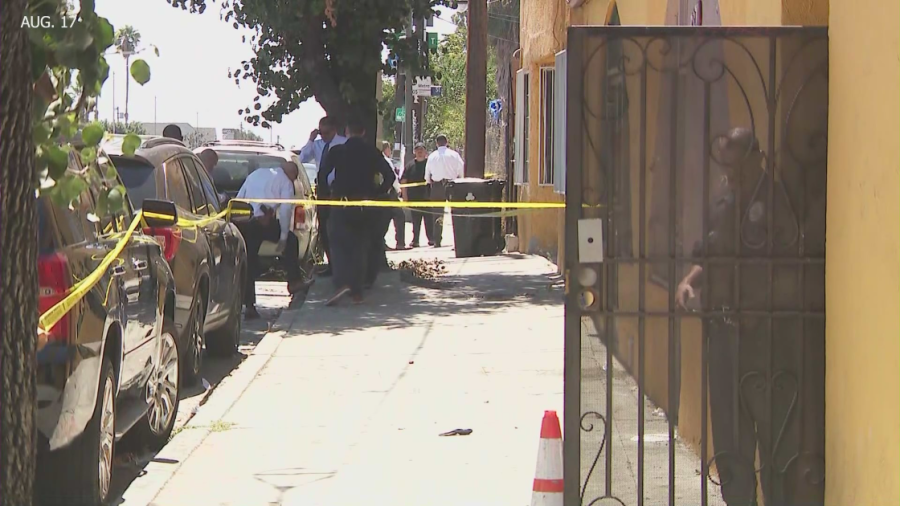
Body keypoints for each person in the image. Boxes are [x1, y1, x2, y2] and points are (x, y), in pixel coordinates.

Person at [675, 127, 822, 506]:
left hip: (768, 342)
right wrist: (689, 282)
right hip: (724, 337)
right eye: (726, 162)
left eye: (737, 161)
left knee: (776, 444)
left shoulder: (777, 202)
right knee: (731, 444)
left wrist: (760, 307)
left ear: (756, 158)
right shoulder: (723, 203)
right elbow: (707, 256)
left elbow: (793, 267)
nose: (731, 170)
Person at [317, 118, 395, 306]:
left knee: (338, 242)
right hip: (365, 203)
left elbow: (322, 174)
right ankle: (358, 289)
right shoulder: (372, 152)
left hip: (341, 202)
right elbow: (390, 176)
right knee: (361, 245)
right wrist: (377, 192)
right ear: (363, 133)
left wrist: (327, 194)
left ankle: (343, 281)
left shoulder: (337, 151)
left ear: (347, 132)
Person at [235, 160, 305, 319]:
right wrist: (283, 238)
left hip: (248, 222)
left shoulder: (256, 174)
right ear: (292, 174)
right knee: (292, 241)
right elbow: (286, 210)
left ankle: (249, 305)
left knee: (249, 261)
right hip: (264, 221)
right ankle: (293, 281)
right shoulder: (286, 182)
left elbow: (240, 197)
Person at [299, 116, 347, 276]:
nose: (324, 136)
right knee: (324, 227)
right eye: (321, 133)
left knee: (339, 227)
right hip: (323, 189)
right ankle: (331, 263)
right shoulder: (318, 145)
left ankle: (342, 264)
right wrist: (311, 140)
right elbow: (302, 158)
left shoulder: (343, 143)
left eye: (326, 133)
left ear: (334, 130)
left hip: (339, 188)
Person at [424, 134, 464, 248]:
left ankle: (437, 240)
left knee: (437, 214)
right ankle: (458, 241)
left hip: (437, 187)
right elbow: (461, 169)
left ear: (437, 143)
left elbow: (427, 175)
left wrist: (429, 182)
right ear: (447, 142)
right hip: (453, 185)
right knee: (456, 212)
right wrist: (460, 180)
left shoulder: (432, 156)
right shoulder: (454, 155)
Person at [401, 142, 433, 247]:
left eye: (421, 150)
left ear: (425, 152)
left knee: (429, 220)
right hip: (414, 198)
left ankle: (431, 239)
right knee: (415, 221)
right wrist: (405, 197)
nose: (419, 152)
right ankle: (415, 240)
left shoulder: (430, 164)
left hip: (428, 198)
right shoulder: (410, 165)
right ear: (414, 152)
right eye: (417, 150)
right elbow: (404, 181)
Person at [381, 141, 407, 251]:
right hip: (390, 193)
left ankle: (382, 243)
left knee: (384, 219)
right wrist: (398, 189)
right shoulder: (386, 161)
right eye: (389, 148)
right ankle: (400, 243)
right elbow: (393, 178)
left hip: (383, 193)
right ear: (386, 149)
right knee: (399, 216)